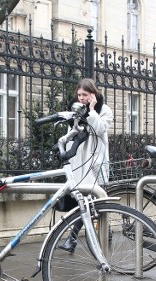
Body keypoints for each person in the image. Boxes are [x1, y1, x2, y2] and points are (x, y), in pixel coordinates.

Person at [58, 78, 113, 253]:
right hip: (78, 160)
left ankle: (73, 239)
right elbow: (71, 133)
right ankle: (106, 231)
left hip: (94, 160)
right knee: (82, 199)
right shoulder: (74, 109)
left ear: (93, 94)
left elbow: (99, 129)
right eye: (79, 95)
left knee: (89, 198)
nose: (81, 98)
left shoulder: (104, 110)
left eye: (85, 95)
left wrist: (91, 111)